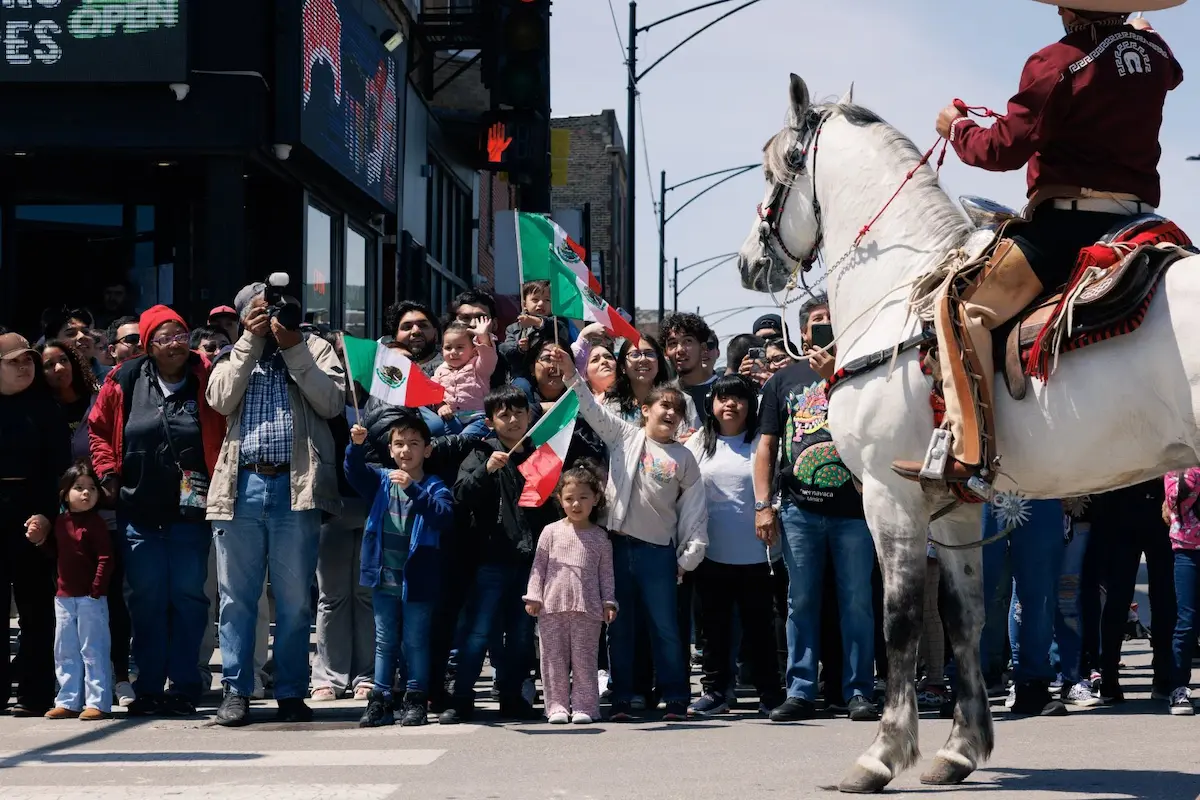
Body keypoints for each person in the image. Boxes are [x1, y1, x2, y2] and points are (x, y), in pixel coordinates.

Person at [892, 2, 1185, 486]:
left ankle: (970, 454)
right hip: (1142, 221)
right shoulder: (1153, 52)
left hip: (1071, 226)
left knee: (960, 309)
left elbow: (1003, 149)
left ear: (1068, 8)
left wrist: (957, 128)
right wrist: (1136, 32)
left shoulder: (1056, 61)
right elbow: (1169, 70)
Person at [205, 282, 346, 727]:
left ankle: (289, 690)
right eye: (260, 312)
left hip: (296, 488)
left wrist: (293, 347)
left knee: (293, 601)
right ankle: (236, 691)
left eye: (276, 310)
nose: (271, 318)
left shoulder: (316, 347)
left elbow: (331, 402)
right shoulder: (232, 354)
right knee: (236, 600)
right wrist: (250, 341)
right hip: (241, 486)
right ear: (244, 316)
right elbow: (220, 399)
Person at [88, 305, 225, 716]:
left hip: (191, 510)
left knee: (187, 597)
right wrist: (107, 472)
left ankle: (185, 685)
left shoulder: (207, 375)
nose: (175, 344)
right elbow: (97, 429)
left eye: (181, 334)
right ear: (148, 343)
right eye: (164, 337)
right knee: (145, 599)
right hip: (139, 508)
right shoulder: (124, 378)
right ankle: (147, 685)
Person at [557, 350, 708, 722]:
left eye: (676, 409)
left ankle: (675, 696)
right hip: (617, 547)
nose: (670, 414)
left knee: (666, 629)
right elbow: (591, 408)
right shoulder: (623, 436)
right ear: (646, 410)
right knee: (619, 627)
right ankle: (622, 698)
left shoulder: (685, 458)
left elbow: (694, 512)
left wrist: (689, 556)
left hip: (659, 553)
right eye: (663, 407)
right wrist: (570, 378)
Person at [754, 296, 878, 722]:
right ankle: (801, 691)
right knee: (800, 600)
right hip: (798, 510)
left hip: (855, 511)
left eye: (830, 319)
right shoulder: (783, 379)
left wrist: (837, 378)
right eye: (816, 322)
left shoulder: (862, 370)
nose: (824, 326)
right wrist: (762, 505)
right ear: (803, 332)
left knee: (858, 601)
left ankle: (859, 691)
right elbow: (767, 445)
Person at [440, 386, 562, 724]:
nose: (512, 420)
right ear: (492, 422)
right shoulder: (481, 453)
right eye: (503, 415)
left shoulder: (541, 455)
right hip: (490, 560)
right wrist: (487, 471)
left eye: (518, 413)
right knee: (479, 632)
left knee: (522, 633)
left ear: (529, 416)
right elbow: (461, 495)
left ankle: (513, 698)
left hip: (529, 562)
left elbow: (552, 509)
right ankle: (462, 698)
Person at [684, 374, 785, 717]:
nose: (731, 405)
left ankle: (770, 693)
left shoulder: (762, 442)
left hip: (758, 554)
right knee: (713, 631)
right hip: (711, 553)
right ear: (711, 405)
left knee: (760, 629)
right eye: (723, 398)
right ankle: (715, 692)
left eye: (739, 398)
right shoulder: (697, 442)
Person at [347, 415, 453, 727]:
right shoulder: (380, 480)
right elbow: (354, 473)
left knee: (416, 640)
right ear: (391, 450)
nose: (406, 450)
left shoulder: (435, 486)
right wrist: (355, 447)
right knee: (384, 640)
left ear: (427, 450)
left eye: (414, 444)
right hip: (384, 576)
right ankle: (380, 700)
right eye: (399, 444)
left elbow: (443, 516)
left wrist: (414, 491)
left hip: (418, 579)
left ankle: (416, 699)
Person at [0, 333, 73, 716]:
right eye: (14, 362)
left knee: (35, 609)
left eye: (28, 360)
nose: (25, 367)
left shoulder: (46, 409)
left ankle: (35, 691)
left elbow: (59, 469)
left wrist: (47, 514)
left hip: (33, 514)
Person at [523, 462, 618, 725]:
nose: (576, 504)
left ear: (595, 498)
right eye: (569, 499)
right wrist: (534, 595)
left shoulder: (601, 537)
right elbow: (538, 568)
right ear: (560, 500)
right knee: (553, 661)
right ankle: (556, 707)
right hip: (551, 609)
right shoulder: (550, 532)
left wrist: (609, 602)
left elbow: (606, 575)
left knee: (585, 660)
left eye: (583, 498)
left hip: (588, 611)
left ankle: (586, 706)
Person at [42, 461, 113, 721]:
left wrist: (96, 589)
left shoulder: (96, 524)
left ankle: (98, 702)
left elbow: (106, 558)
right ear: (65, 493)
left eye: (92, 488)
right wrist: (40, 539)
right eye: (79, 488)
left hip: (90, 599)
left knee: (93, 649)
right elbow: (56, 553)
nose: (86, 493)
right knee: (65, 650)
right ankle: (68, 700)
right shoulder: (60, 522)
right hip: (63, 598)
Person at [1164, 467, 1200, 715]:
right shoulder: (1178, 462)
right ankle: (1178, 687)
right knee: (1187, 621)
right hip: (1187, 549)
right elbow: (1175, 497)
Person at [431, 317, 497, 431]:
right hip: (451, 418)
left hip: (478, 418)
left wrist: (483, 337)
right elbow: (432, 391)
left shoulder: (478, 366)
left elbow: (489, 357)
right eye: (448, 348)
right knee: (450, 440)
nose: (453, 352)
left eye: (460, 347)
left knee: (465, 438)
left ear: (474, 350)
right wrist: (441, 405)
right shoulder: (440, 370)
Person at [662, 312, 718, 424]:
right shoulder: (662, 396)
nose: (680, 350)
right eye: (673, 343)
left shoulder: (724, 390)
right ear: (666, 353)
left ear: (703, 348)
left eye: (688, 341)